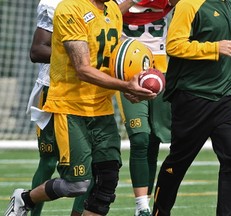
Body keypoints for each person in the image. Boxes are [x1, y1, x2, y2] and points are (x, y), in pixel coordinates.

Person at [4, 0, 156, 215]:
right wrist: (125, 85)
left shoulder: (112, 9)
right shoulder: (70, 8)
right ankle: (25, 199)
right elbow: (83, 69)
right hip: (70, 107)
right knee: (76, 184)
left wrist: (135, 81)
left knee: (106, 181)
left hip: (101, 107)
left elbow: (115, 55)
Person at [151, 0, 231, 215]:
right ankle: (160, 211)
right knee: (178, 163)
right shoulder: (188, 4)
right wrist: (214, 48)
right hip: (192, 96)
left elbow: (227, 37)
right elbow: (174, 45)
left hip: (226, 95)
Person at [115, 0, 178, 215]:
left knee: (153, 140)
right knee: (140, 138)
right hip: (127, 69)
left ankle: (146, 206)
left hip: (159, 69)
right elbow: (110, 14)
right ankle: (141, 206)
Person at [28, 1, 90, 215]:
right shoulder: (55, 3)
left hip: (91, 91)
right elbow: (37, 51)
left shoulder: (107, 6)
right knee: (49, 160)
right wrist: (77, 57)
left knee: (92, 162)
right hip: (54, 88)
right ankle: (29, 209)